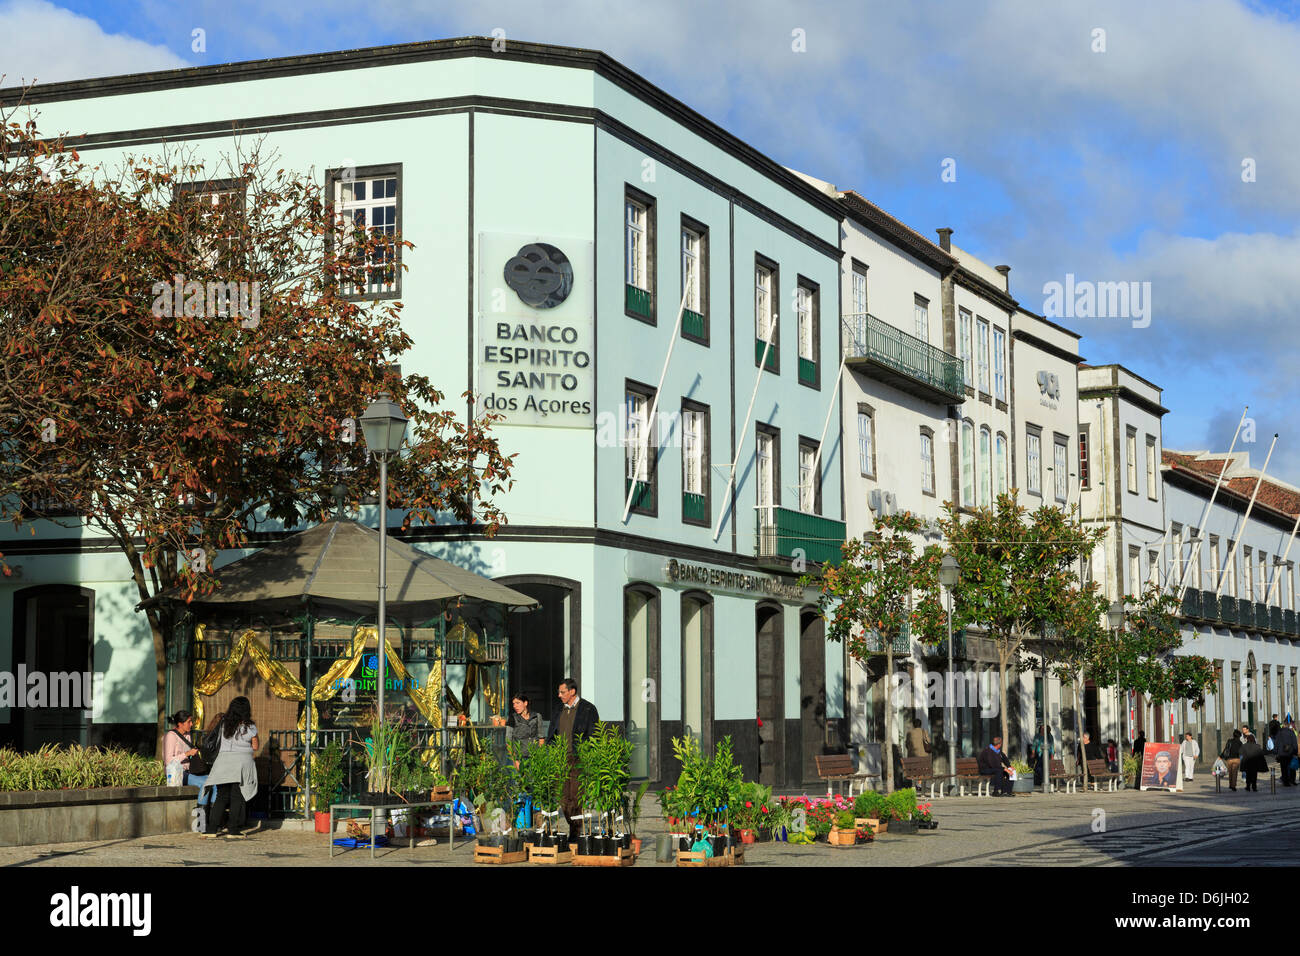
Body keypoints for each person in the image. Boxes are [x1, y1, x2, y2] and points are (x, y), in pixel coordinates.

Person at [546, 677, 599, 835]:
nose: (559, 695)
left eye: (562, 692)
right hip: (560, 759)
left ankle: (575, 833)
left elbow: (594, 734)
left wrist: (588, 755)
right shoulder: (558, 709)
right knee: (563, 797)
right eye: (559, 692)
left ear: (572, 692)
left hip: (578, 759)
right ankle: (574, 826)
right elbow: (551, 733)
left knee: (575, 797)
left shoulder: (588, 709)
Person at [203, 696, 260, 839]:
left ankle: (211, 830)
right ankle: (233, 830)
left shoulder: (223, 724)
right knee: (237, 798)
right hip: (241, 765)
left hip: (222, 764)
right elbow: (255, 746)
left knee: (221, 797)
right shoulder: (250, 727)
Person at [164, 710, 214, 808]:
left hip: (190, 771)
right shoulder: (171, 736)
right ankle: (201, 817)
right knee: (206, 784)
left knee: (214, 782)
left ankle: (213, 816)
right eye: (189, 722)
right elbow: (168, 761)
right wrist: (187, 754)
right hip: (177, 773)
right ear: (180, 724)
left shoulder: (187, 735)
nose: (191, 724)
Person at [505, 693, 542, 767]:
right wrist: (515, 760)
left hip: (534, 757)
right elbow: (508, 741)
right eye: (513, 704)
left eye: (517, 703)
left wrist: (540, 756)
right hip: (518, 757)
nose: (515, 706)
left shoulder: (537, 716)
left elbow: (541, 737)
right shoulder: (512, 718)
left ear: (525, 703)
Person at [1274, 720, 1298, 787]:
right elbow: (1294, 743)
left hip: (1282, 754)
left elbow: (1276, 743)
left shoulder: (1279, 733)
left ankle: (1286, 782)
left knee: (1284, 768)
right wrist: (1295, 752)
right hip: (1290, 753)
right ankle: (1292, 780)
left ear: (1283, 725)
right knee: (1292, 767)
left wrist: (1275, 752)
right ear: (1288, 726)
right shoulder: (1291, 732)